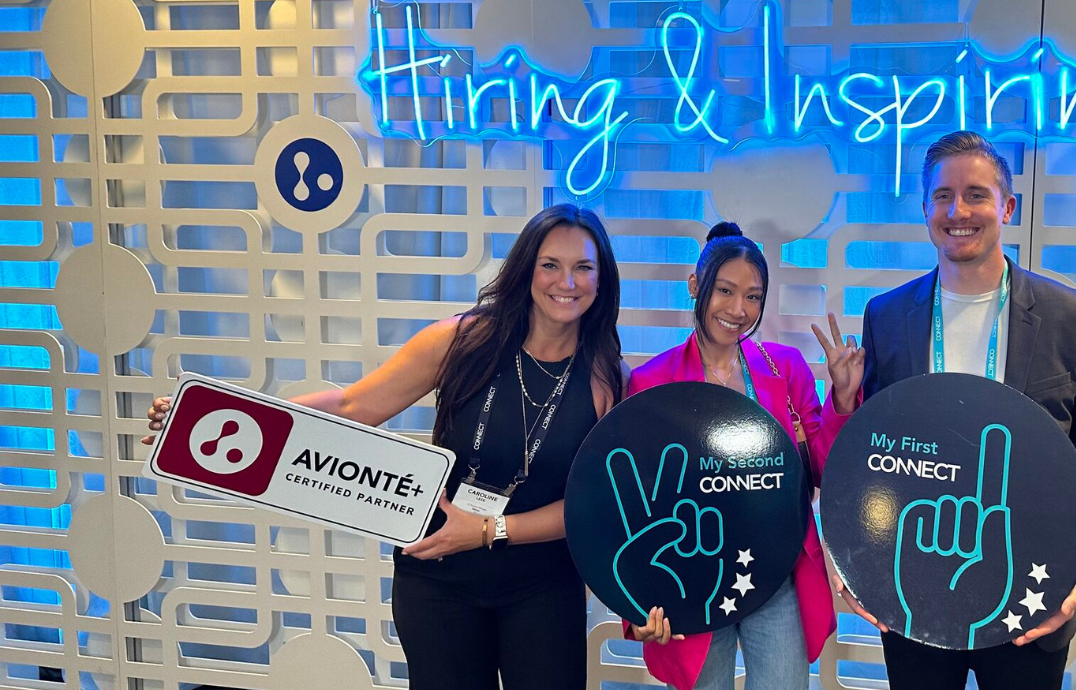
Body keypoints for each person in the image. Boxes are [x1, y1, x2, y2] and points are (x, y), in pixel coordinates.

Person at [144, 204, 626, 690]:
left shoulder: (607, 378)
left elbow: (593, 504)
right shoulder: (463, 341)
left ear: (601, 278)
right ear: (526, 269)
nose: (567, 282)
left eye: (583, 267)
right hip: (438, 576)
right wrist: (210, 415)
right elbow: (353, 405)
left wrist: (487, 530)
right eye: (550, 264)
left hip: (542, 587)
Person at [814, 131, 1076, 690]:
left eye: (976, 194)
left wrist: (1073, 579)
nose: (958, 212)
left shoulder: (1073, 318)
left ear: (1007, 207)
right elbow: (877, 457)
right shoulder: (887, 317)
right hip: (914, 590)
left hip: (1029, 595)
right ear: (925, 208)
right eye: (942, 196)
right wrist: (859, 561)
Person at [622, 222, 837, 690]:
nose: (739, 310)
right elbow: (637, 504)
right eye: (725, 290)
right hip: (691, 578)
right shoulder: (652, 382)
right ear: (695, 285)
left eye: (753, 296)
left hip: (776, 573)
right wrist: (636, 603)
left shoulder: (786, 368)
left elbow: (822, 469)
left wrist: (841, 397)